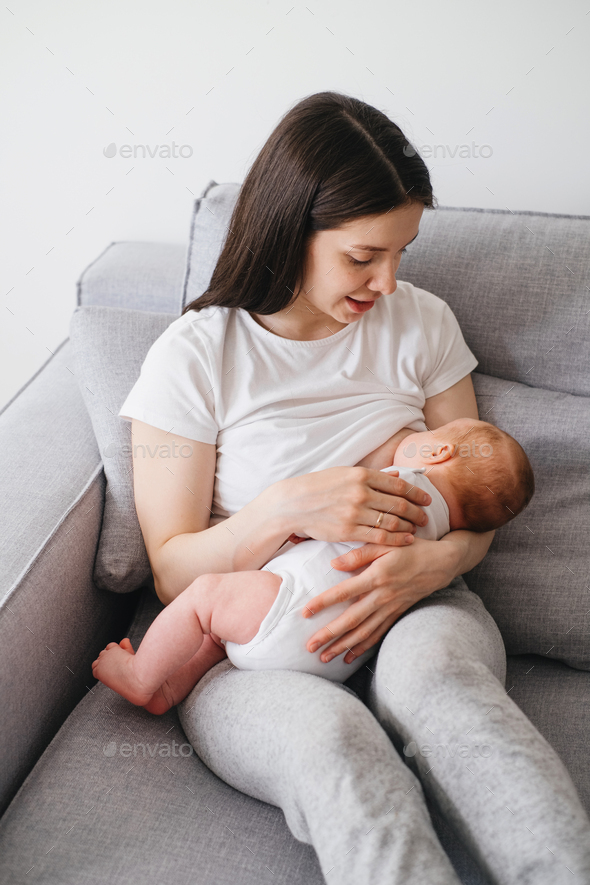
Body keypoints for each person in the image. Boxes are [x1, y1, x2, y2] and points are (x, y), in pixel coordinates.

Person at [115, 92, 590, 884]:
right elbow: (172, 570)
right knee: (333, 746)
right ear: (290, 228)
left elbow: (476, 492)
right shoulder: (194, 357)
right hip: (250, 642)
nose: (388, 280)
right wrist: (282, 509)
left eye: (402, 251)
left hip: (420, 601)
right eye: (363, 256)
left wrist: (433, 569)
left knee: (448, 695)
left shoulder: (422, 323)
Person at [92, 418, 535, 704]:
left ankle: (143, 676)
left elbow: (326, 515)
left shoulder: (402, 483)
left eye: (424, 436)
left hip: (289, 603)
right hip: (334, 658)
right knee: (218, 633)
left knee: (206, 599)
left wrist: (300, 523)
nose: (414, 436)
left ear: (437, 454)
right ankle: (169, 688)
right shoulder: (437, 537)